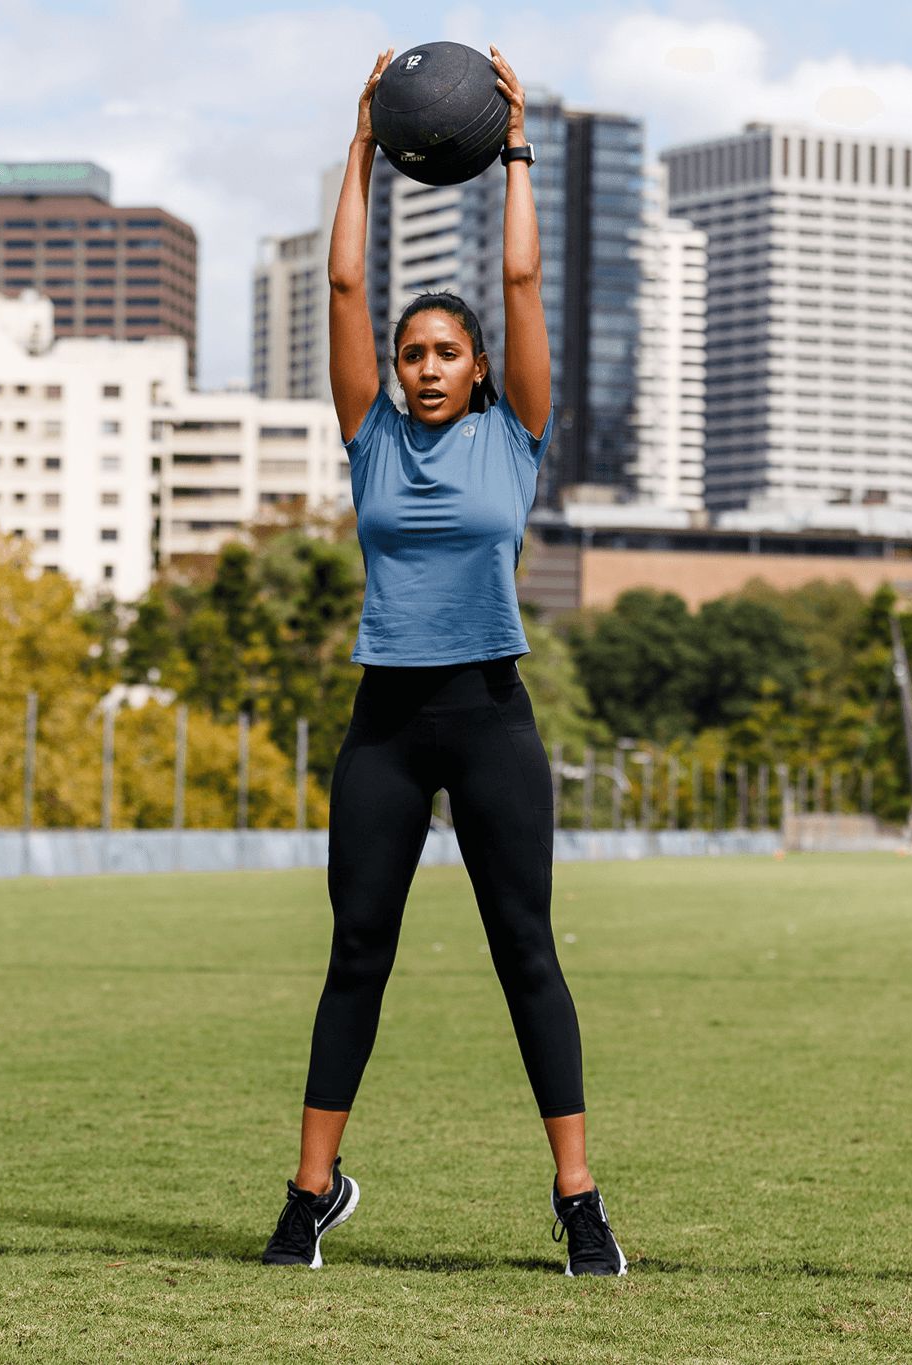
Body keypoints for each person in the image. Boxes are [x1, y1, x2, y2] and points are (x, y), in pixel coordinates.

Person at [261, 45, 625, 1278]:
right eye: (413, 352)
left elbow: (521, 277)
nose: (422, 366)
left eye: (443, 354)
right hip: (385, 722)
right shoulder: (367, 438)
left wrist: (516, 145)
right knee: (356, 950)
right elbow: (347, 286)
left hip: (489, 716)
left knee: (528, 950)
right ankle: (312, 1191)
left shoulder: (515, 439)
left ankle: (578, 1200)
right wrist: (363, 143)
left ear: (476, 373)